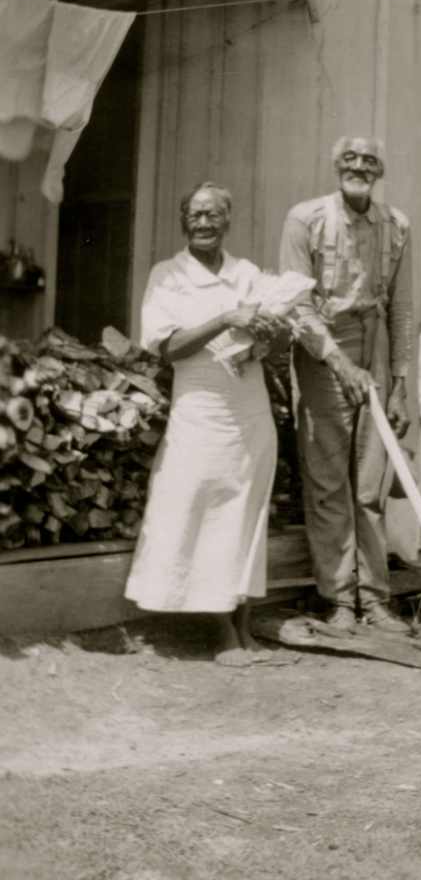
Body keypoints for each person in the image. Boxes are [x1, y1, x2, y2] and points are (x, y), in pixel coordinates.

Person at [125, 181, 282, 665]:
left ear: (228, 221)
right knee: (205, 512)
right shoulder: (168, 276)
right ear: (182, 221)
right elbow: (168, 347)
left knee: (248, 515)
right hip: (201, 409)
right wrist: (224, 318)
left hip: (249, 407)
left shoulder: (247, 273)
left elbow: (267, 336)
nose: (205, 222)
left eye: (214, 214)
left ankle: (245, 627)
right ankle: (221, 635)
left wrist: (266, 337)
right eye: (195, 214)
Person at [279, 136, 413, 634]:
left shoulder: (396, 226)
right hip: (322, 350)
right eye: (349, 160)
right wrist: (338, 363)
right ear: (336, 166)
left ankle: (376, 600)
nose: (359, 167)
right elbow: (297, 304)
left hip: (374, 349)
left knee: (371, 484)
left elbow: (401, 307)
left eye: (370, 161)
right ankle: (338, 600)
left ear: (379, 172)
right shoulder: (305, 219)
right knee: (329, 482)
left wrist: (398, 383)